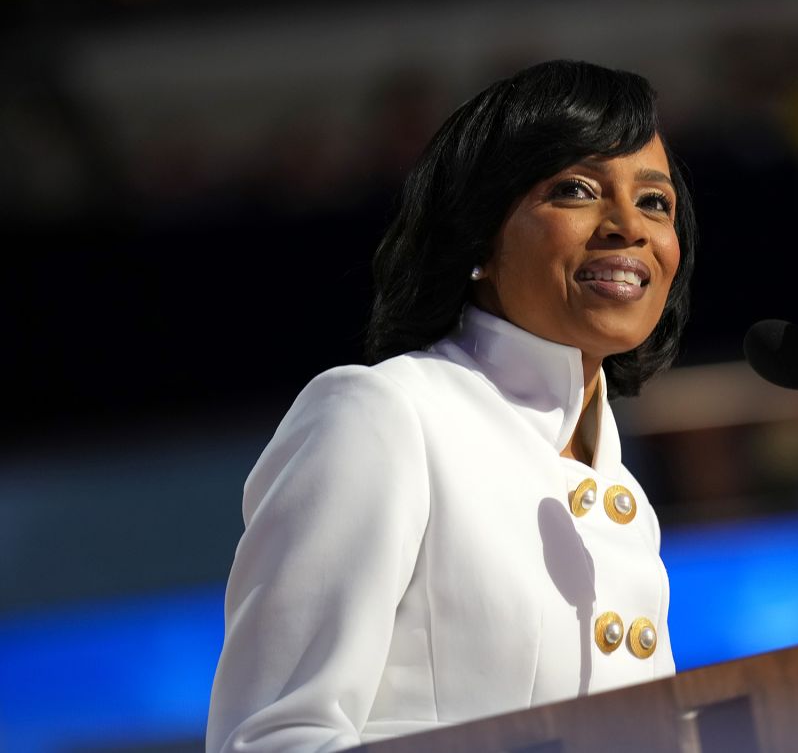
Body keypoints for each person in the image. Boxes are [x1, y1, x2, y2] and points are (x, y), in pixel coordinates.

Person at [206, 60, 697, 752]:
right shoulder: (383, 414)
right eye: (576, 189)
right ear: (477, 241)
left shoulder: (624, 497)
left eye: (655, 202)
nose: (628, 226)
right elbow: (268, 738)